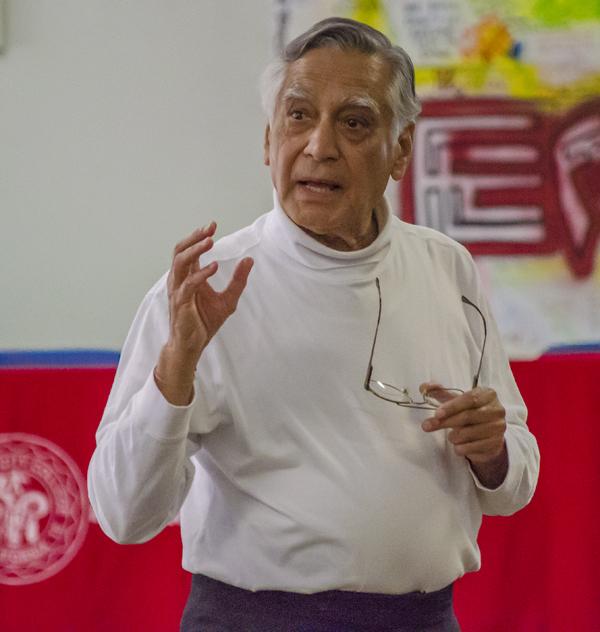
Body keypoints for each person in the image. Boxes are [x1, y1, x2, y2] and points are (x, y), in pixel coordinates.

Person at [88, 17, 540, 632]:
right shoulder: (206, 289)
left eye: (354, 122)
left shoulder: (446, 268)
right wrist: (175, 373)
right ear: (269, 140)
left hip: (425, 618)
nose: (319, 146)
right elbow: (122, 513)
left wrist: (493, 454)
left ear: (402, 149)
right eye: (299, 116)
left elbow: (513, 479)